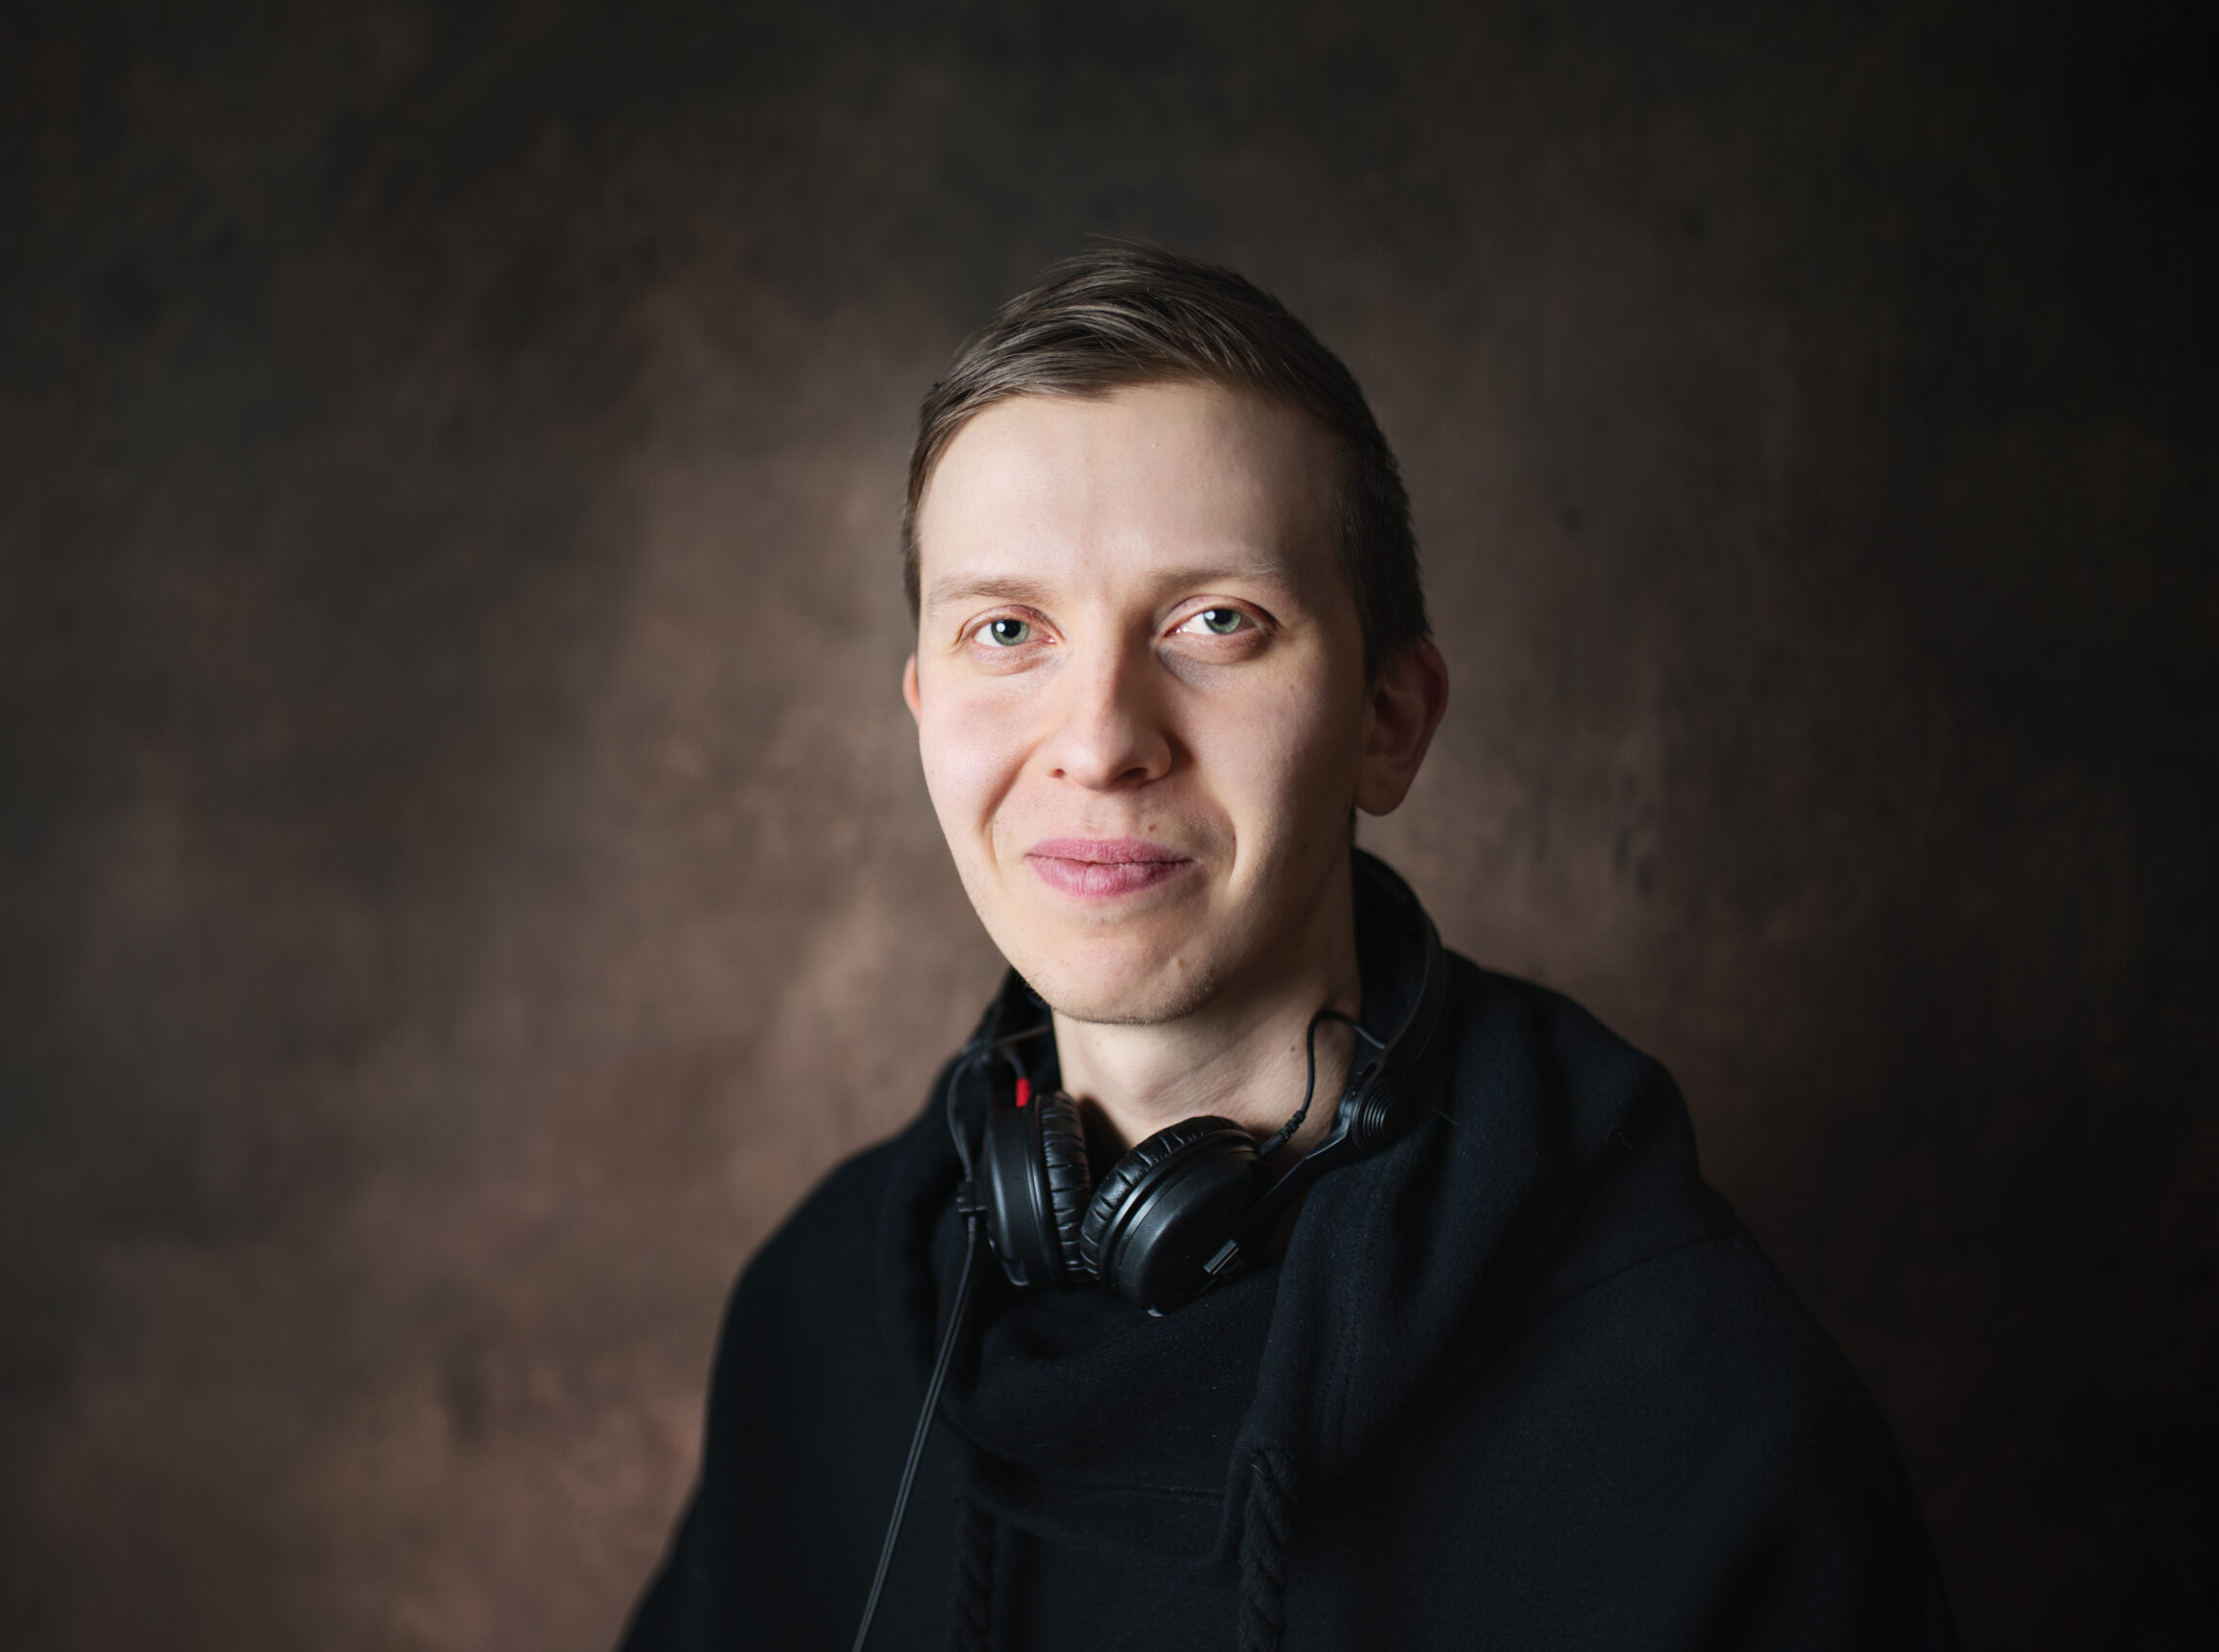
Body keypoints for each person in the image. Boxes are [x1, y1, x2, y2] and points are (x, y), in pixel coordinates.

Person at [619, 244, 1957, 1650]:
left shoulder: (1698, 1400)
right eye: (1006, 629)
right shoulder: (818, 1311)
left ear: (1389, 721)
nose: (1100, 741)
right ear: (921, 709)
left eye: (1218, 622)